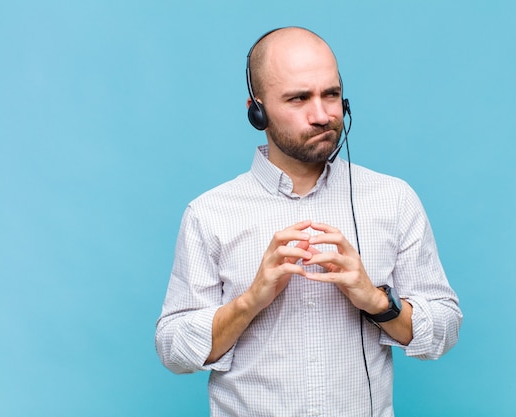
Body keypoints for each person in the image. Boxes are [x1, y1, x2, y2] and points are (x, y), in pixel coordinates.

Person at [156, 26, 462, 417]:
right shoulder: (209, 213)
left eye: (331, 94)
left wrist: (377, 301)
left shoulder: (393, 199)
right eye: (299, 98)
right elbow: (173, 350)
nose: (323, 115)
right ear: (257, 110)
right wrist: (250, 301)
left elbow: (445, 328)